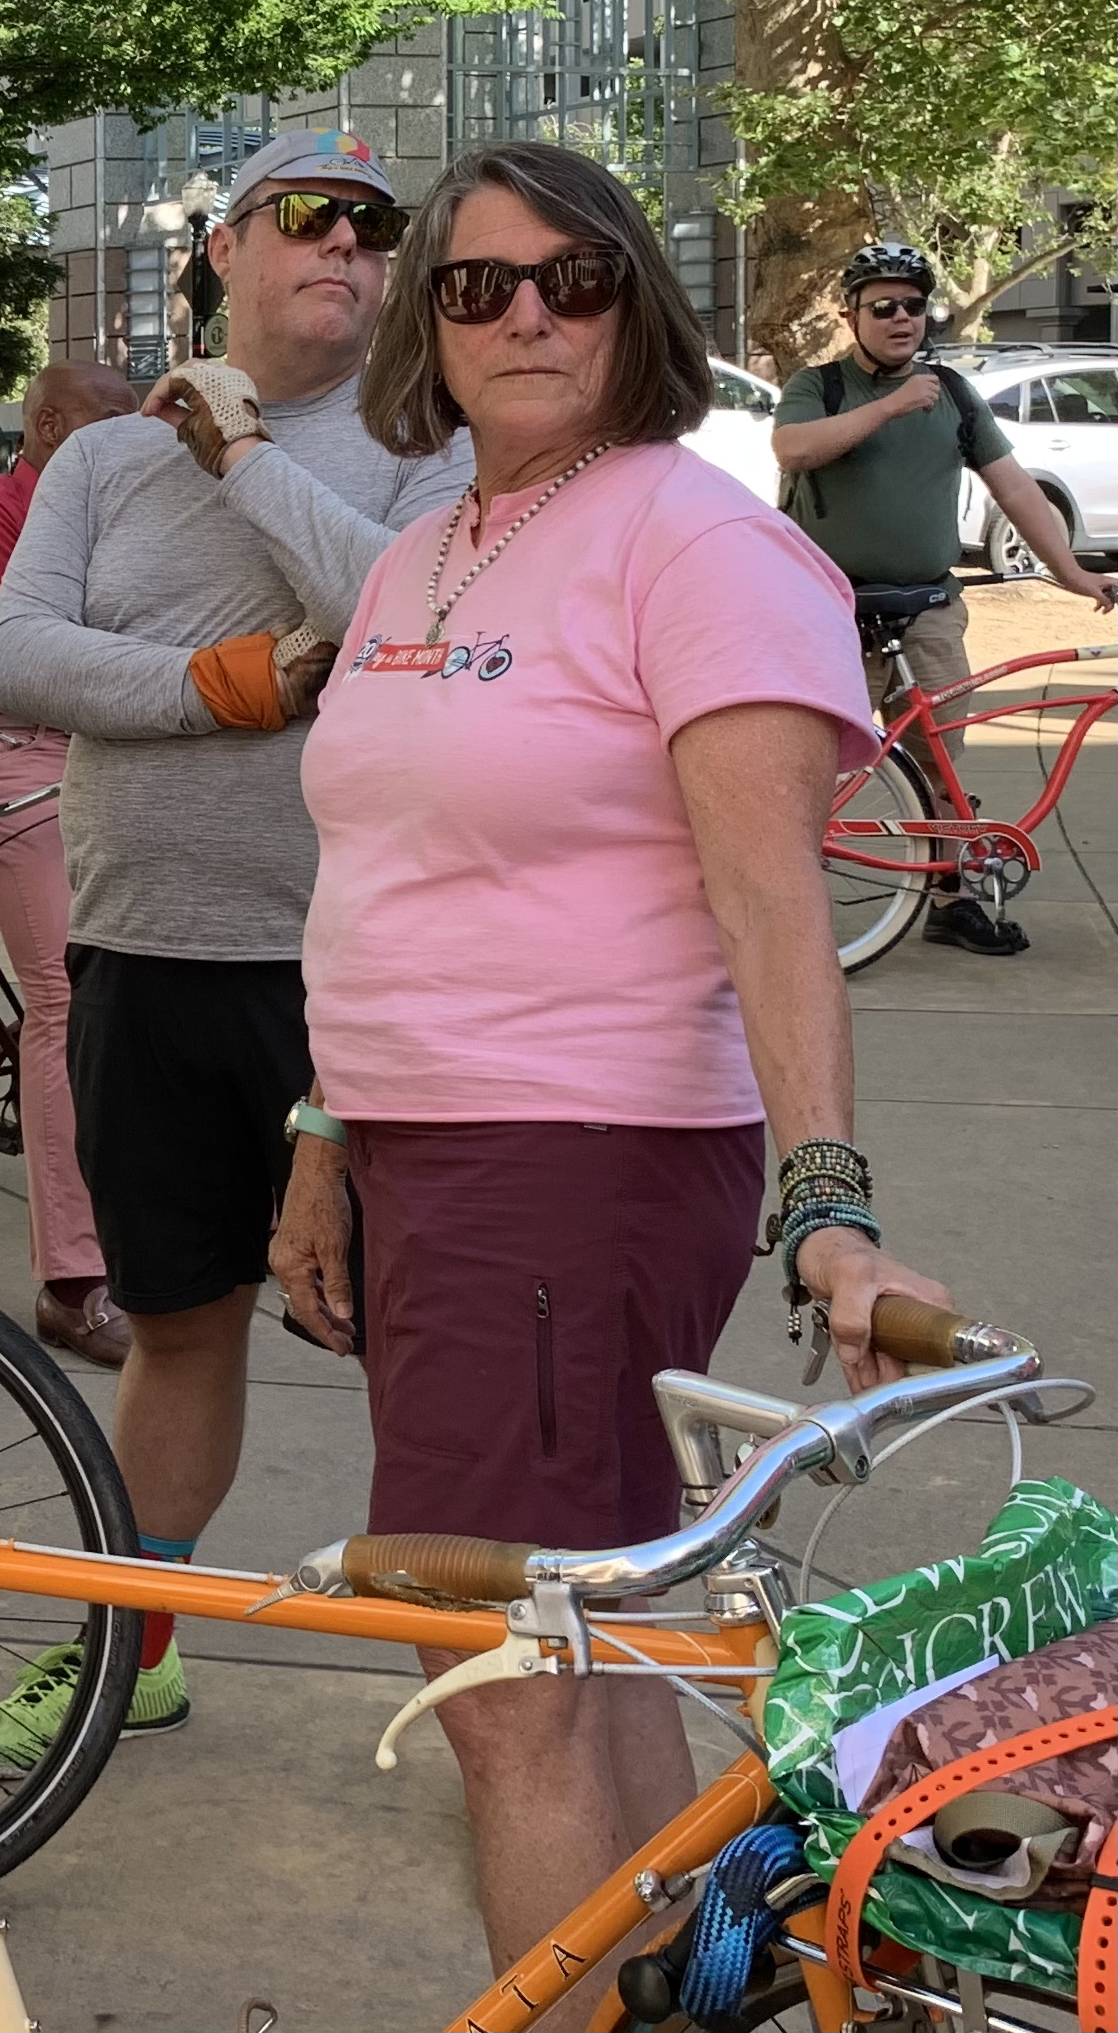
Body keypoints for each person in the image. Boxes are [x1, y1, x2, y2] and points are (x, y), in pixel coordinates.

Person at [272, 139, 948, 1991]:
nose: (523, 316)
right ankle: (671, 1985)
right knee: (586, 1643)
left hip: (577, 1152)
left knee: (499, 1685)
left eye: (568, 279)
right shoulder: (423, 551)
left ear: (632, 306)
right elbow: (381, 876)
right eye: (475, 284)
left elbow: (769, 901)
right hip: (424, 1151)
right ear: (426, 321)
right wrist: (322, 1137)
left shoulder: (696, 539)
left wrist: (827, 1207)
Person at [0, 127, 468, 1768]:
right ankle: (129, 1651)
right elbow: (17, 653)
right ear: (223, 247)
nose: (345, 246)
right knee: (180, 1326)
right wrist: (225, 684)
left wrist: (244, 447)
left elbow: (401, 620)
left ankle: (494, 1708)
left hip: (347, 983)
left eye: (374, 228)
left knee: (412, 1351)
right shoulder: (100, 461)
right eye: (307, 215)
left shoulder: (424, 445)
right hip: (137, 953)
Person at [769, 241, 1117, 954]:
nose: (902, 318)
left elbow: (1014, 488)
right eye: (883, 307)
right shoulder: (821, 386)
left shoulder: (953, 394)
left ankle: (951, 900)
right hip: (832, 611)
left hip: (926, 611)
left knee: (942, 766)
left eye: (914, 305)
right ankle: (780, 908)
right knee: (808, 766)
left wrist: (1072, 572)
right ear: (851, 317)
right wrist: (890, 406)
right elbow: (793, 448)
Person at [0, 360, 136, 1367]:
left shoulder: (105, 511)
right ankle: (75, 1280)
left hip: (93, 743)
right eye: (110, 416)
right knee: (64, 996)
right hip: (5, 746)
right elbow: (14, 657)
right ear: (48, 423)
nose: (131, 432)